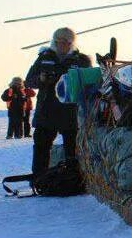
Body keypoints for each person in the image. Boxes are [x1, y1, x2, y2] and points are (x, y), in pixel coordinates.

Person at [24, 27, 92, 174]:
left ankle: (74, 179)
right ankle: (39, 179)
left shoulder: (81, 60)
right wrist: (41, 79)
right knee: (41, 146)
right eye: (59, 42)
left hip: (71, 112)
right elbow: (29, 81)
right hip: (46, 111)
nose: (62, 45)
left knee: (72, 149)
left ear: (71, 43)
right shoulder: (44, 58)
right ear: (54, 42)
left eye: (66, 42)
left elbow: (91, 85)